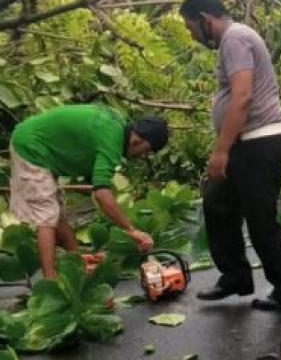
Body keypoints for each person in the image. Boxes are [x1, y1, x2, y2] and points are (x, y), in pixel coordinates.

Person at [179, 0, 281, 310]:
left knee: (261, 221)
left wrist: (221, 150)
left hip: (259, 142)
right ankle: (236, 275)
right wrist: (225, 145)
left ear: (206, 20)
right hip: (244, 142)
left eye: (191, 27)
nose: (192, 36)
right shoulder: (233, 39)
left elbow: (242, 96)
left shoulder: (234, 38)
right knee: (217, 202)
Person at [8, 103, 168, 278]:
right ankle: (50, 279)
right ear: (138, 140)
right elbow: (101, 192)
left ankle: (75, 261)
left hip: (40, 145)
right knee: (46, 217)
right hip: (31, 147)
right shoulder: (111, 141)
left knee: (56, 213)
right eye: (147, 150)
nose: (144, 156)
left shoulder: (117, 126)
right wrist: (131, 230)